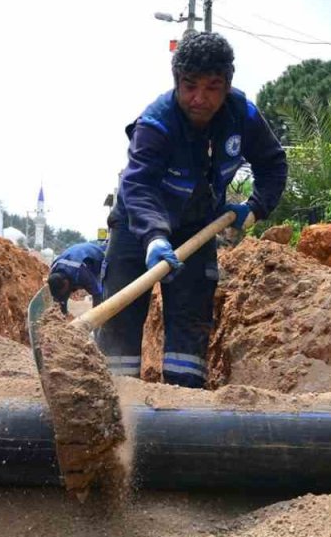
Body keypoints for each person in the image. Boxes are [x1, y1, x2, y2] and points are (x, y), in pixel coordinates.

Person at [96, 32, 288, 388]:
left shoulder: (242, 116)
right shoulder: (156, 123)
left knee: (191, 324)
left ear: (227, 86)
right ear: (177, 83)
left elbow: (274, 164)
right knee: (119, 323)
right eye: (190, 86)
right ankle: (116, 405)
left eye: (213, 88)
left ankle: (182, 413)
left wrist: (256, 207)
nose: (200, 98)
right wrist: (153, 238)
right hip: (137, 226)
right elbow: (137, 186)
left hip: (198, 228)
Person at [47, 240, 106, 313]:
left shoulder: (82, 273)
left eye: (63, 291)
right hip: (74, 255)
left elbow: (97, 293)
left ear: (66, 282)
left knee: (101, 288)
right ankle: (64, 313)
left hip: (96, 256)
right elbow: (59, 296)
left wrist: (95, 315)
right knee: (62, 295)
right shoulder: (53, 270)